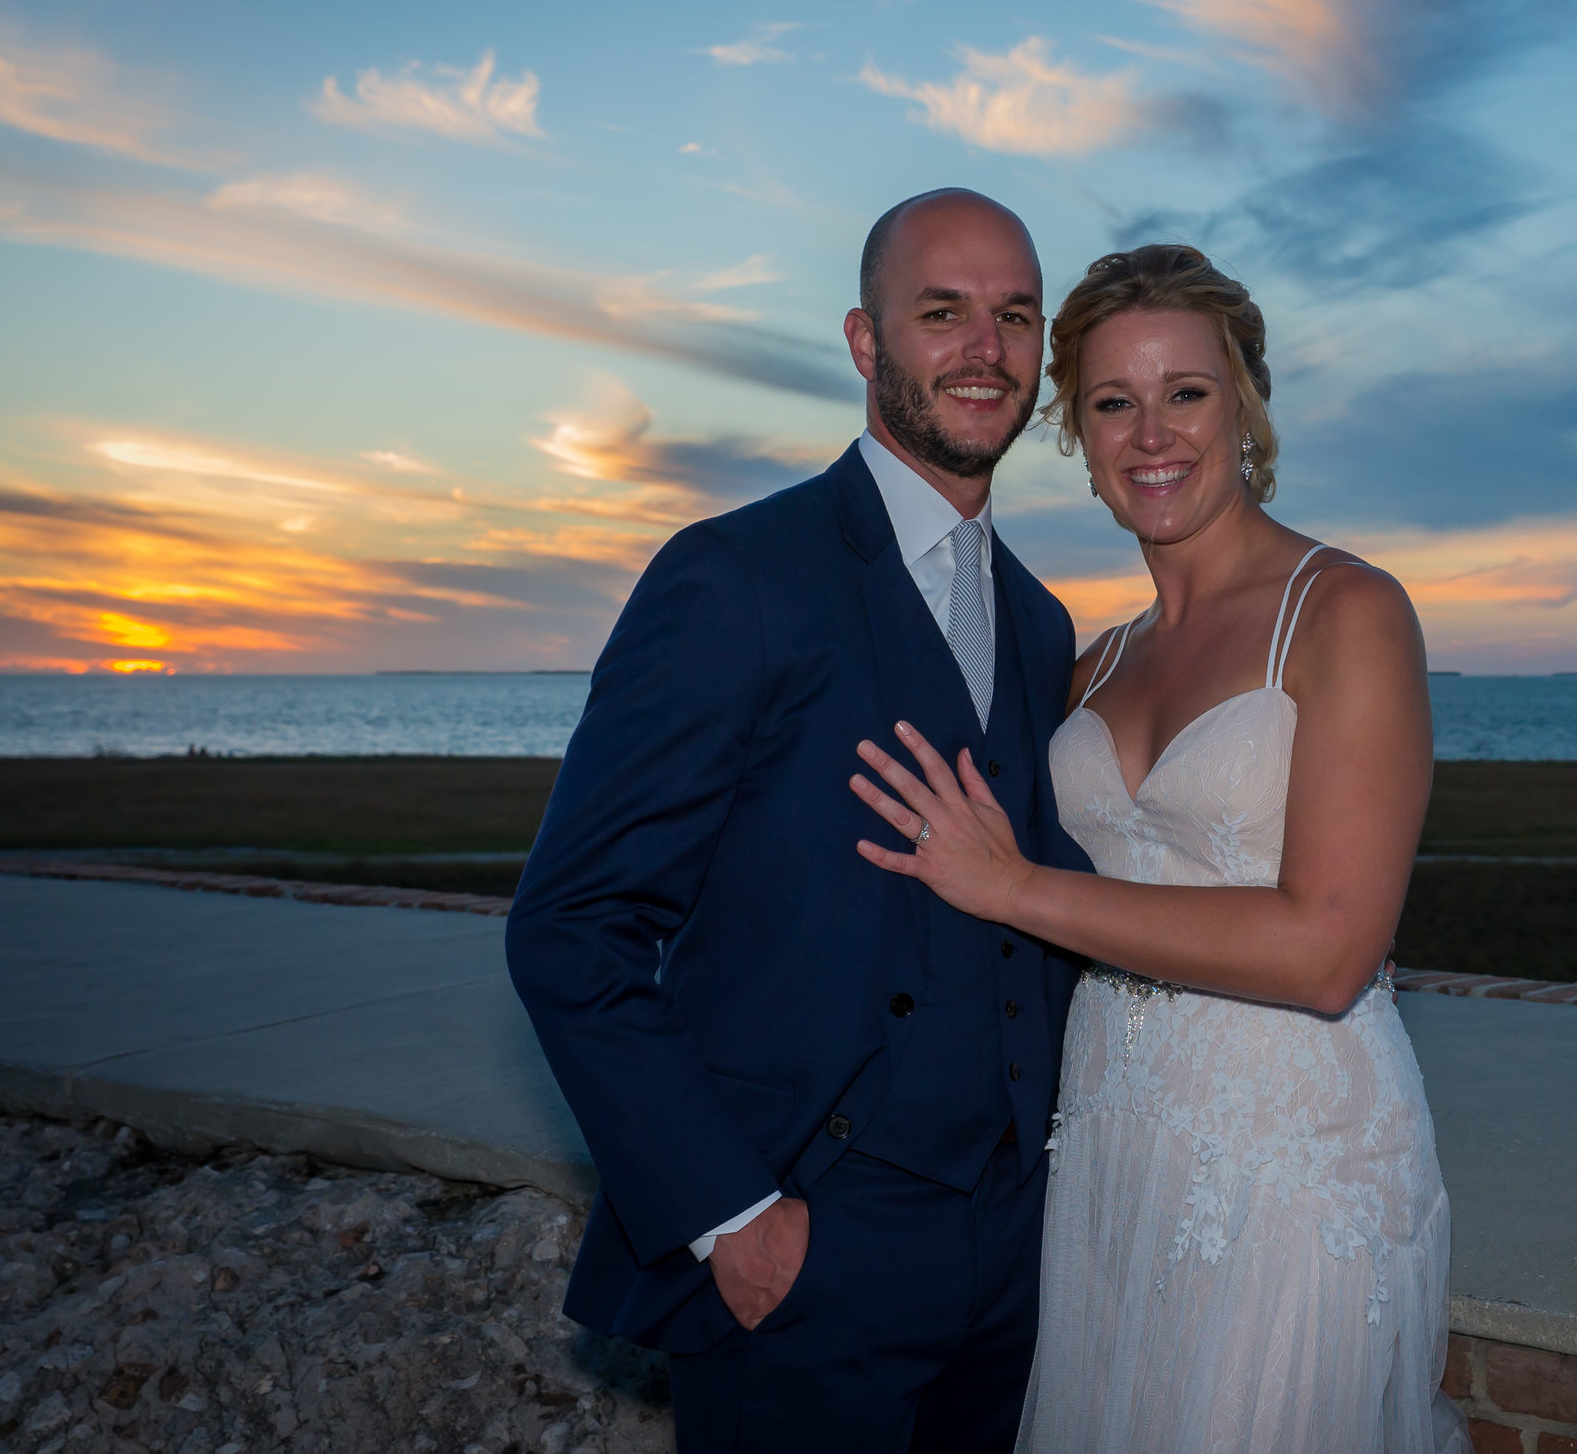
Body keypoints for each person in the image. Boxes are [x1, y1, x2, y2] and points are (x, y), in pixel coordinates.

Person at [848, 244, 1470, 1453]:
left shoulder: (1345, 612)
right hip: (1110, 1148)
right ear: (1075, 431)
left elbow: (1328, 949)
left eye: (1185, 391)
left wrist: (1016, 887)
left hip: (1293, 1151)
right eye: (1112, 402)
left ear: (1243, 401)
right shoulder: (1094, 660)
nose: (1152, 433)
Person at [505, 188, 1095, 1452]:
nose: (985, 348)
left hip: (1016, 1259)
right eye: (941, 313)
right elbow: (572, 928)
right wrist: (735, 1219)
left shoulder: (1043, 627)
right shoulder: (734, 576)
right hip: (810, 1249)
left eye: (1015, 316)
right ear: (864, 340)